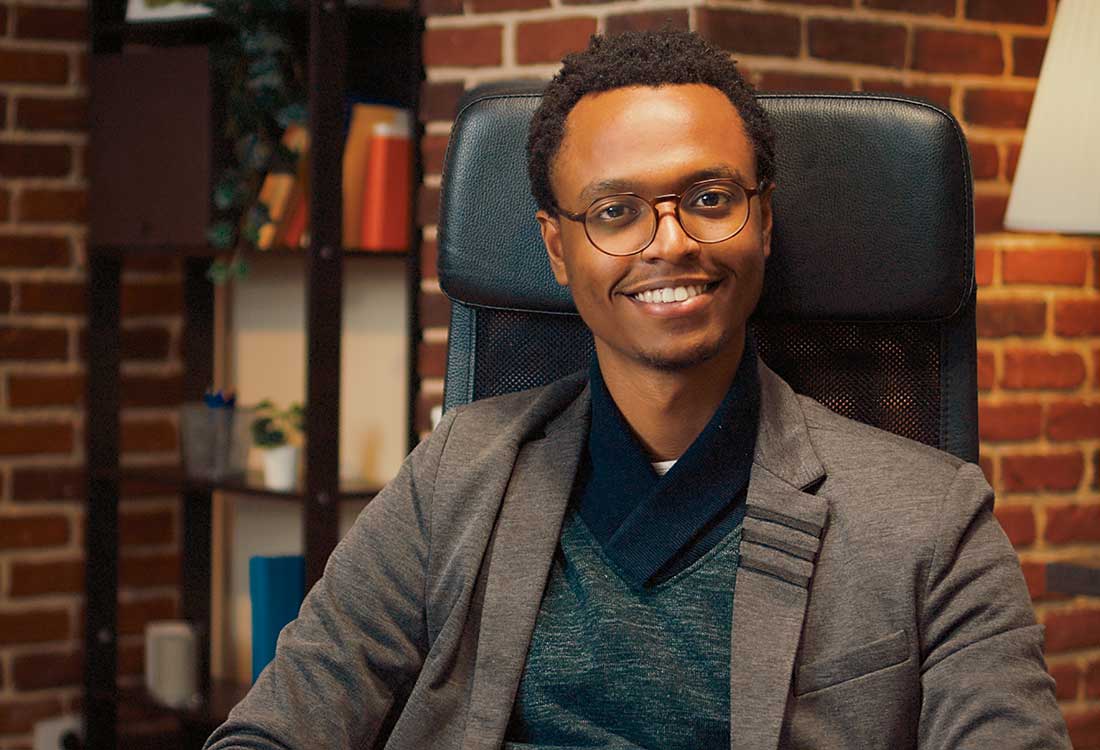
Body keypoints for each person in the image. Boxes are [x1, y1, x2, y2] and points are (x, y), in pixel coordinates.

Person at [205, 30, 1069, 750]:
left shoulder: (933, 520)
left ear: (762, 221)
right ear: (556, 248)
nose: (670, 243)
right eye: (615, 210)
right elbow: (274, 728)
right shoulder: (455, 475)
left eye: (709, 197)